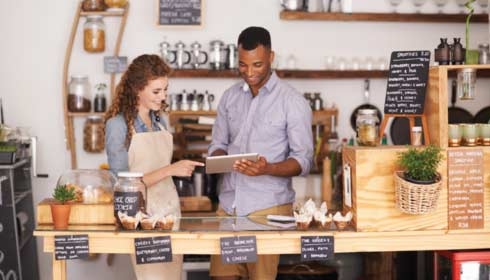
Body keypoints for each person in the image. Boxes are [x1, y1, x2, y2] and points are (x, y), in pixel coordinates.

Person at [208, 26, 314, 280]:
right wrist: (220, 158)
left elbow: (304, 161)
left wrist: (268, 168)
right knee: (221, 277)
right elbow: (217, 144)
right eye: (243, 65)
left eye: (257, 64)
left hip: (268, 212)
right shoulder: (230, 97)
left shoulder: (292, 102)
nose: (250, 72)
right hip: (228, 209)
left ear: (271, 57)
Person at [105, 54, 203, 279]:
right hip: (143, 218)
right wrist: (171, 170)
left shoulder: (160, 122)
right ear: (138, 89)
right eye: (156, 91)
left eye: (165, 90)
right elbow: (123, 186)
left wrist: (175, 170)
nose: (163, 97)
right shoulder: (118, 125)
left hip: (169, 213)